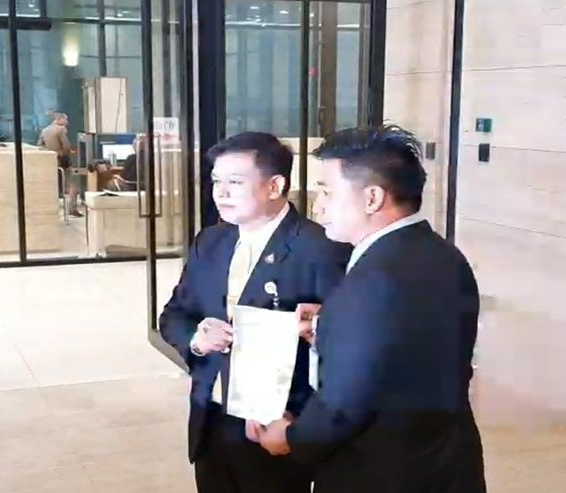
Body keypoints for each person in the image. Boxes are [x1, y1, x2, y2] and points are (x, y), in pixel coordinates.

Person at [252, 124, 486, 493]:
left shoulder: (372, 280)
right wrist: (331, 328)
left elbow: (344, 404)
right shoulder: (442, 255)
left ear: (372, 198)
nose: (318, 205)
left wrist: (290, 437)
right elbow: (403, 353)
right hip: (447, 464)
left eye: (327, 191)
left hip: (381, 472)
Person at [159, 132, 350, 493]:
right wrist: (197, 339)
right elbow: (174, 315)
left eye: (235, 182)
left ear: (275, 185)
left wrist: (303, 425)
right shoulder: (210, 241)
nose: (220, 193)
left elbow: (345, 350)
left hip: (277, 427)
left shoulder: (320, 248)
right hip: (211, 419)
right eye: (216, 181)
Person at [38, 112, 82, 217]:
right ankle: (72, 208)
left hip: (50, 161)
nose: (67, 122)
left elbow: (40, 145)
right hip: (62, 161)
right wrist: (67, 151)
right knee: (72, 183)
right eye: (66, 119)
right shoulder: (61, 129)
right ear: (60, 119)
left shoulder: (45, 130)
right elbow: (66, 146)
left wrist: (51, 152)